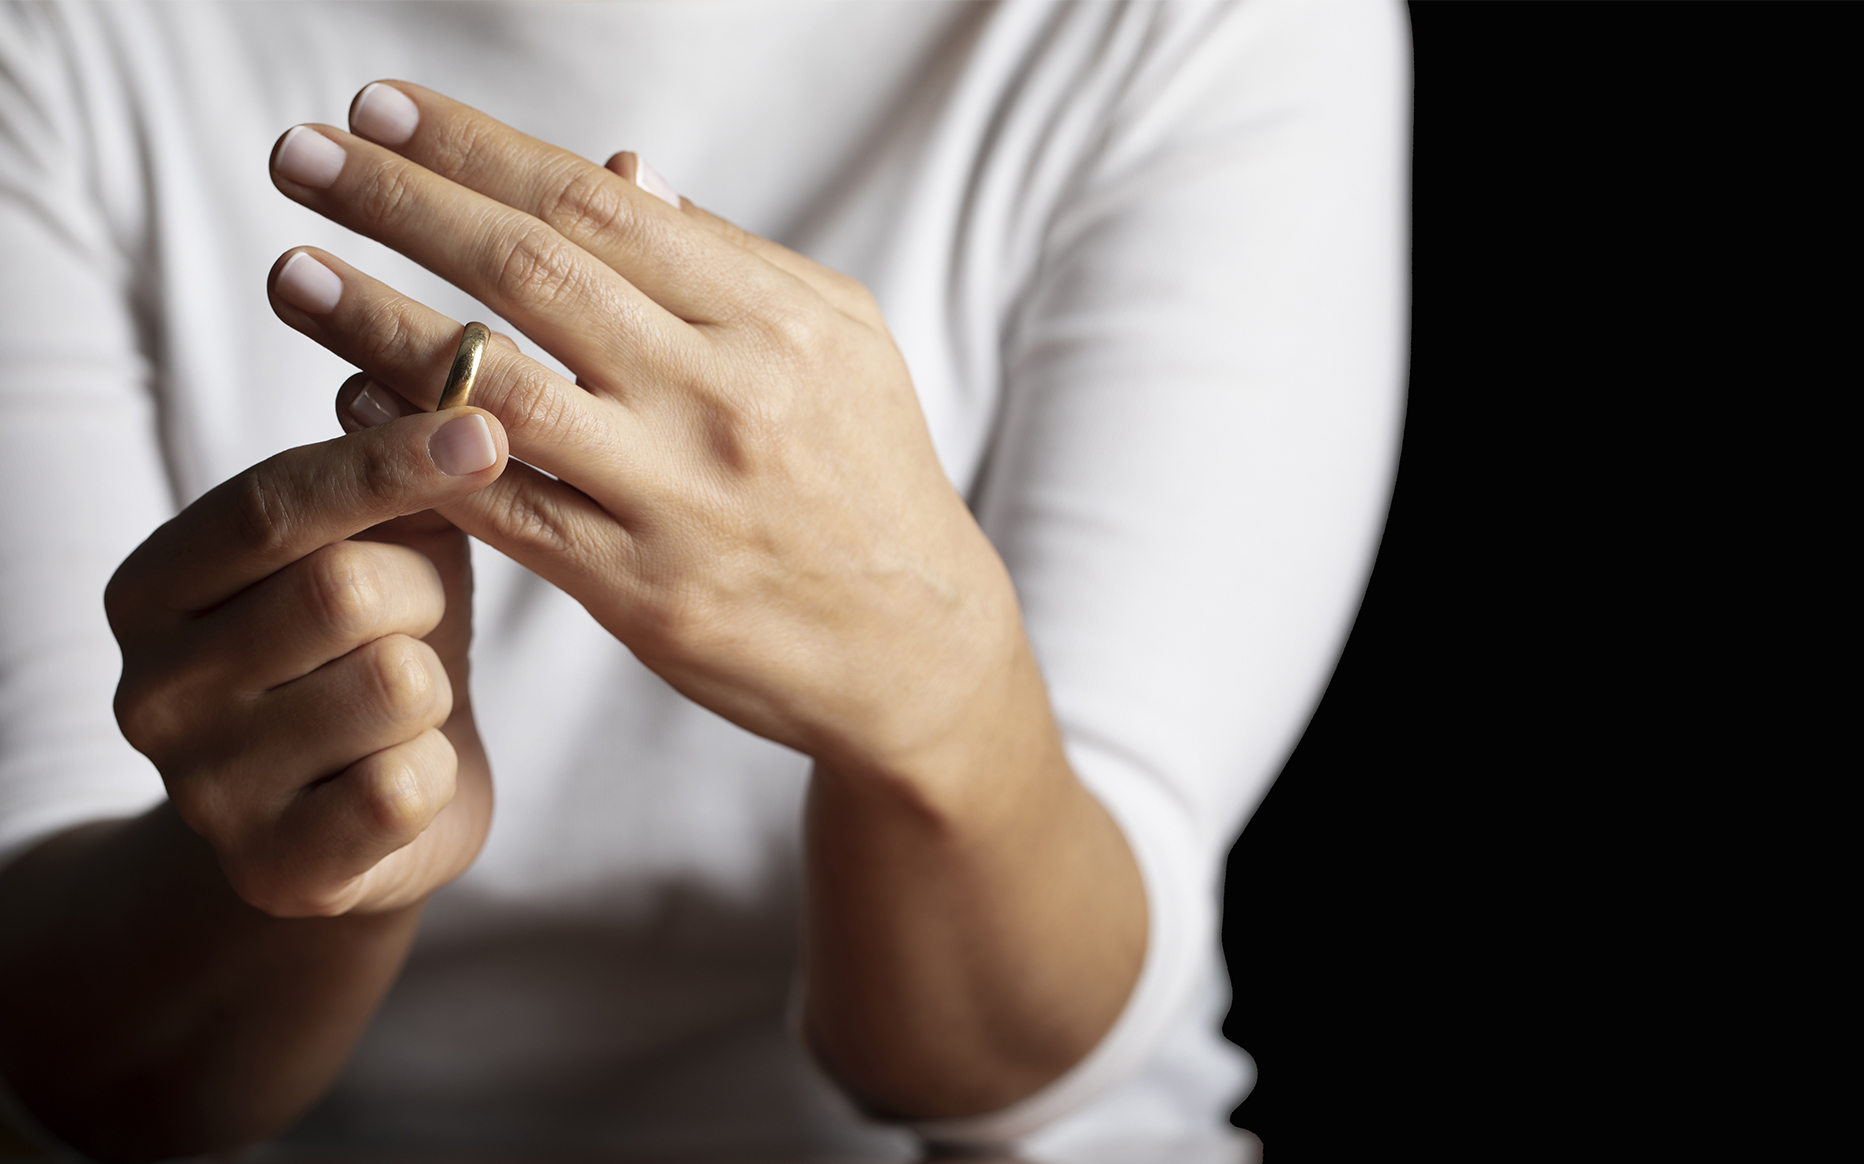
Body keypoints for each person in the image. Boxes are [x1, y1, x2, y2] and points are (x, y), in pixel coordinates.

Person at [0, 2, 1407, 1159]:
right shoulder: (65, 38)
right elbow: (96, 1069)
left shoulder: (1209, 27)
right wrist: (328, 840)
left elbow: (1016, 1062)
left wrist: (940, 698)